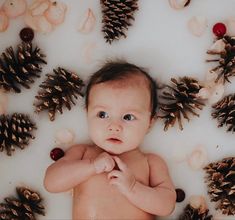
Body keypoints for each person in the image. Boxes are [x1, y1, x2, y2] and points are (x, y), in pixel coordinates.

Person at [44, 61, 176, 219]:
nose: (114, 127)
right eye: (102, 115)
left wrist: (133, 188)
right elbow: (51, 182)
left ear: (149, 123)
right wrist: (91, 166)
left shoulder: (151, 163)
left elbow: (166, 206)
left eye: (128, 117)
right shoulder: (82, 153)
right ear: (87, 115)